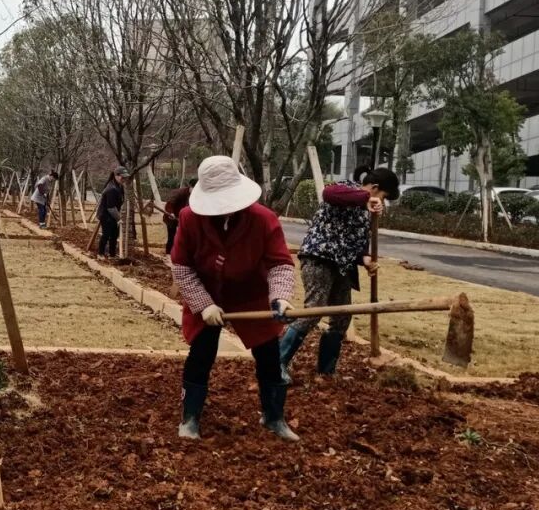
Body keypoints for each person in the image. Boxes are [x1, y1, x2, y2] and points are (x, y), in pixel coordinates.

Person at [171, 156, 299, 442]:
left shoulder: (263, 219)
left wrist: (280, 297)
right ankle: (190, 417)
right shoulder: (189, 219)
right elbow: (181, 266)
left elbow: (279, 263)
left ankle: (274, 417)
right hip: (206, 291)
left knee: (268, 355)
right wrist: (203, 304)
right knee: (202, 353)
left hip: (249, 293)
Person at [279, 166, 400, 378]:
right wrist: (366, 197)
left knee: (342, 317)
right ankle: (276, 363)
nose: (382, 201)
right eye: (383, 196)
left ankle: (327, 372)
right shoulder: (346, 189)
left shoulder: (367, 212)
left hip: (342, 266)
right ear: (375, 187)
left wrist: (366, 259)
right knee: (313, 311)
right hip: (320, 258)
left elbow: (358, 245)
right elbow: (329, 194)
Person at [96, 166, 130, 258]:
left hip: (113, 214)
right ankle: (100, 254)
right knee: (106, 235)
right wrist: (118, 218)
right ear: (116, 176)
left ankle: (112, 254)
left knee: (114, 235)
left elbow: (120, 202)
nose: (123, 179)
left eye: (125, 177)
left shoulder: (119, 187)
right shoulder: (111, 189)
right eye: (122, 177)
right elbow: (111, 207)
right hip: (106, 215)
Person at [160, 179, 197, 255]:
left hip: (182, 219)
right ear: (190, 186)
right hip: (171, 218)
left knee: (185, 237)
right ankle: (168, 254)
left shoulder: (195, 195)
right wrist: (171, 213)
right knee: (172, 237)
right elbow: (170, 203)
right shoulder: (179, 192)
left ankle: (181, 253)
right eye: (195, 188)